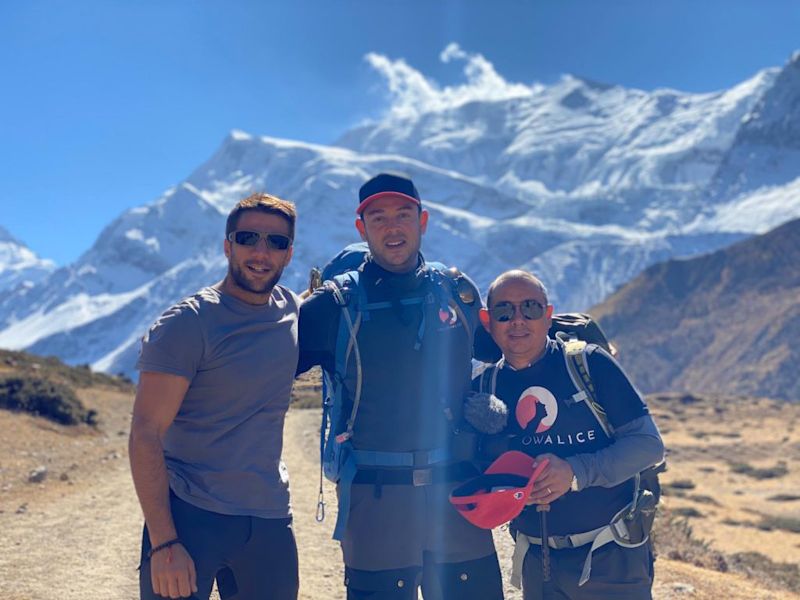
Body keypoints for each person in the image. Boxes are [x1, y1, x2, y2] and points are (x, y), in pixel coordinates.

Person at [297, 172, 503, 600]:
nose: (393, 227)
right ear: (362, 228)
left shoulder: (457, 293)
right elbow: (264, 371)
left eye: (403, 214)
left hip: (456, 489)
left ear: (422, 220)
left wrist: (494, 403)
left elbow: (509, 354)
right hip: (375, 495)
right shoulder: (332, 306)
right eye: (379, 217)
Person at [129, 193, 300, 600]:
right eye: (248, 238)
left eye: (276, 242)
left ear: (289, 254)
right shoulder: (188, 324)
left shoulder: (293, 311)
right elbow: (145, 432)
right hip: (190, 518)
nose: (261, 252)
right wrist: (164, 542)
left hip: (268, 520)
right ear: (227, 246)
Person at [476, 270, 664, 600]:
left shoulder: (588, 364)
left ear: (548, 316)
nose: (518, 320)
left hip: (611, 557)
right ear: (487, 320)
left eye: (530, 308)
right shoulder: (484, 387)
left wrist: (575, 472)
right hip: (537, 564)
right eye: (504, 311)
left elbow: (648, 446)